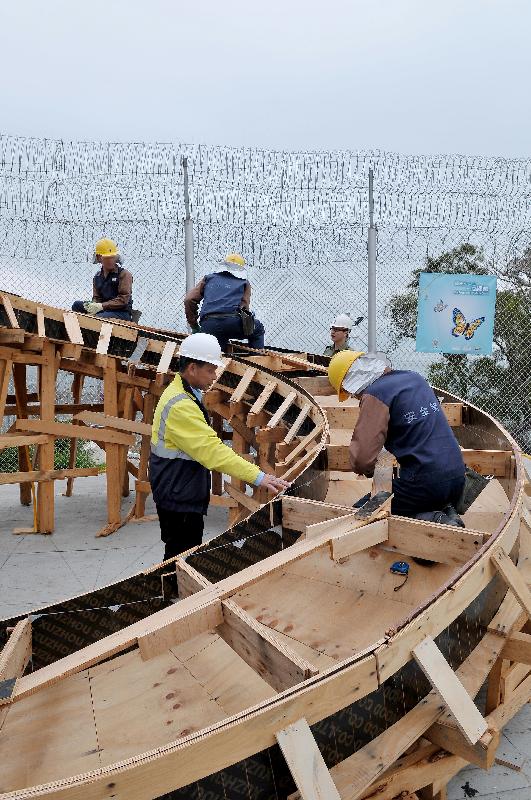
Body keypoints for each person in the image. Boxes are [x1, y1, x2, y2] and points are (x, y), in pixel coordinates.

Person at [149, 332, 290, 561]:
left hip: (176, 486)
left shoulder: (185, 391)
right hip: (178, 492)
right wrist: (257, 476)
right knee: (182, 553)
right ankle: (178, 592)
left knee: (181, 548)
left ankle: (176, 586)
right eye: (210, 370)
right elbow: (213, 452)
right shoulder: (180, 405)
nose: (215, 376)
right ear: (192, 368)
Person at [328, 350, 466, 522]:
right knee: (412, 495)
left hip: (425, 483)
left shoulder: (375, 395)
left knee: (361, 513)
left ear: (352, 382)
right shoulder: (415, 378)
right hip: (459, 476)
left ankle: (435, 519)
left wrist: (369, 470)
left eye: (349, 392)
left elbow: (362, 459)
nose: (354, 396)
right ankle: (446, 506)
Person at [184, 253, 265, 351]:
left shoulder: (208, 278)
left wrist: (194, 325)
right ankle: (255, 361)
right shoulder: (244, 283)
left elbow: (189, 299)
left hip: (209, 325)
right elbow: (244, 308)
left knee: (217, 352)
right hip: (232, 323)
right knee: (258, 328)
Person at [72, 238, 133, 321]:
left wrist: (102, 306)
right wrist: (93, 306)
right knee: (76, 305)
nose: (111, 260)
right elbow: (97, 298)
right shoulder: (97, 277)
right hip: (104, 310)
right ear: (99, 257)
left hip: (121, 312)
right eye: (107, 258)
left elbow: (123, 300)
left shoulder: (124, 274)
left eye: (113, 257)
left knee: (99, 317)